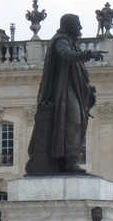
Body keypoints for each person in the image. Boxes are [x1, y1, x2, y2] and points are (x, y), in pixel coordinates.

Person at [25, 13, 105, 175]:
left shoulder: (71, 43)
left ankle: (69, 160)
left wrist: (87, 88)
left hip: (72, 90)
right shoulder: (60, 41)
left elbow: (78, 69)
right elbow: (65, 55)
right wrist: (87, 54)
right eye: (78, 24)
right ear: (70, 26)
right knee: (72, 122)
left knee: (77, 123)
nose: (80, 28)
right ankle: (70, 160)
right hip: (62, 92)